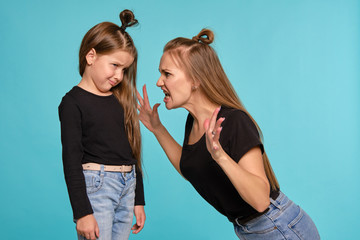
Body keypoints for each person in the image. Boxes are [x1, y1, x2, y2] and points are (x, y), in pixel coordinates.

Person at [137, 29, 320, 239]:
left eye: (167, 74)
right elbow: (190, 167)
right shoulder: (194, 122)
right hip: (249, 230)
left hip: (277, 226)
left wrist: (221, 157)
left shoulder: (234, 121)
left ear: (196, 79)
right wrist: (157, 129)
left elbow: (261, 200)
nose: (159, 82)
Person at [59, 10, 145, 240]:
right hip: (98, 187)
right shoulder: (72, 103)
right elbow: (71, 160)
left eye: (124, 69)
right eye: (115, 65)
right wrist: (82, 212)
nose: (119, 75)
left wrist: (138, 199)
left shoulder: (120, 99)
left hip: (128, 185)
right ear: (91, 57)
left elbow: (131, 150)